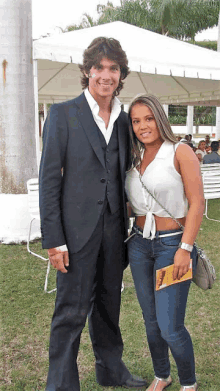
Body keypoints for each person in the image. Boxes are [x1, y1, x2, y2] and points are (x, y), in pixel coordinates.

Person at [39, 37, 147, 391]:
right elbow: (49, 181)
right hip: (75, 233)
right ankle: (61, 384)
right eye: (98, 67)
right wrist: (54, 240)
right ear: (86, 72)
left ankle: (110, 370)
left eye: (113, 68)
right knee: (69, 313)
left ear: (121, 74)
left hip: (114, 230)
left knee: (108, 306)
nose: (106, 74)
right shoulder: (63, 114)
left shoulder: (124, 119)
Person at [125, 95, 204, 391]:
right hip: (139, 245)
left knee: (171, 325)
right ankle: (162, 375)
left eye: (148, 118)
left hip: (172, 246)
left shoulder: (180, 151)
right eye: (136, 121)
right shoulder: (133, 157)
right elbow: (134, 205)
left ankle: (188, 383)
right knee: (151, 321)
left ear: (160, 117)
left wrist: (185, 248)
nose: (143, 126)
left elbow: (197, 203)